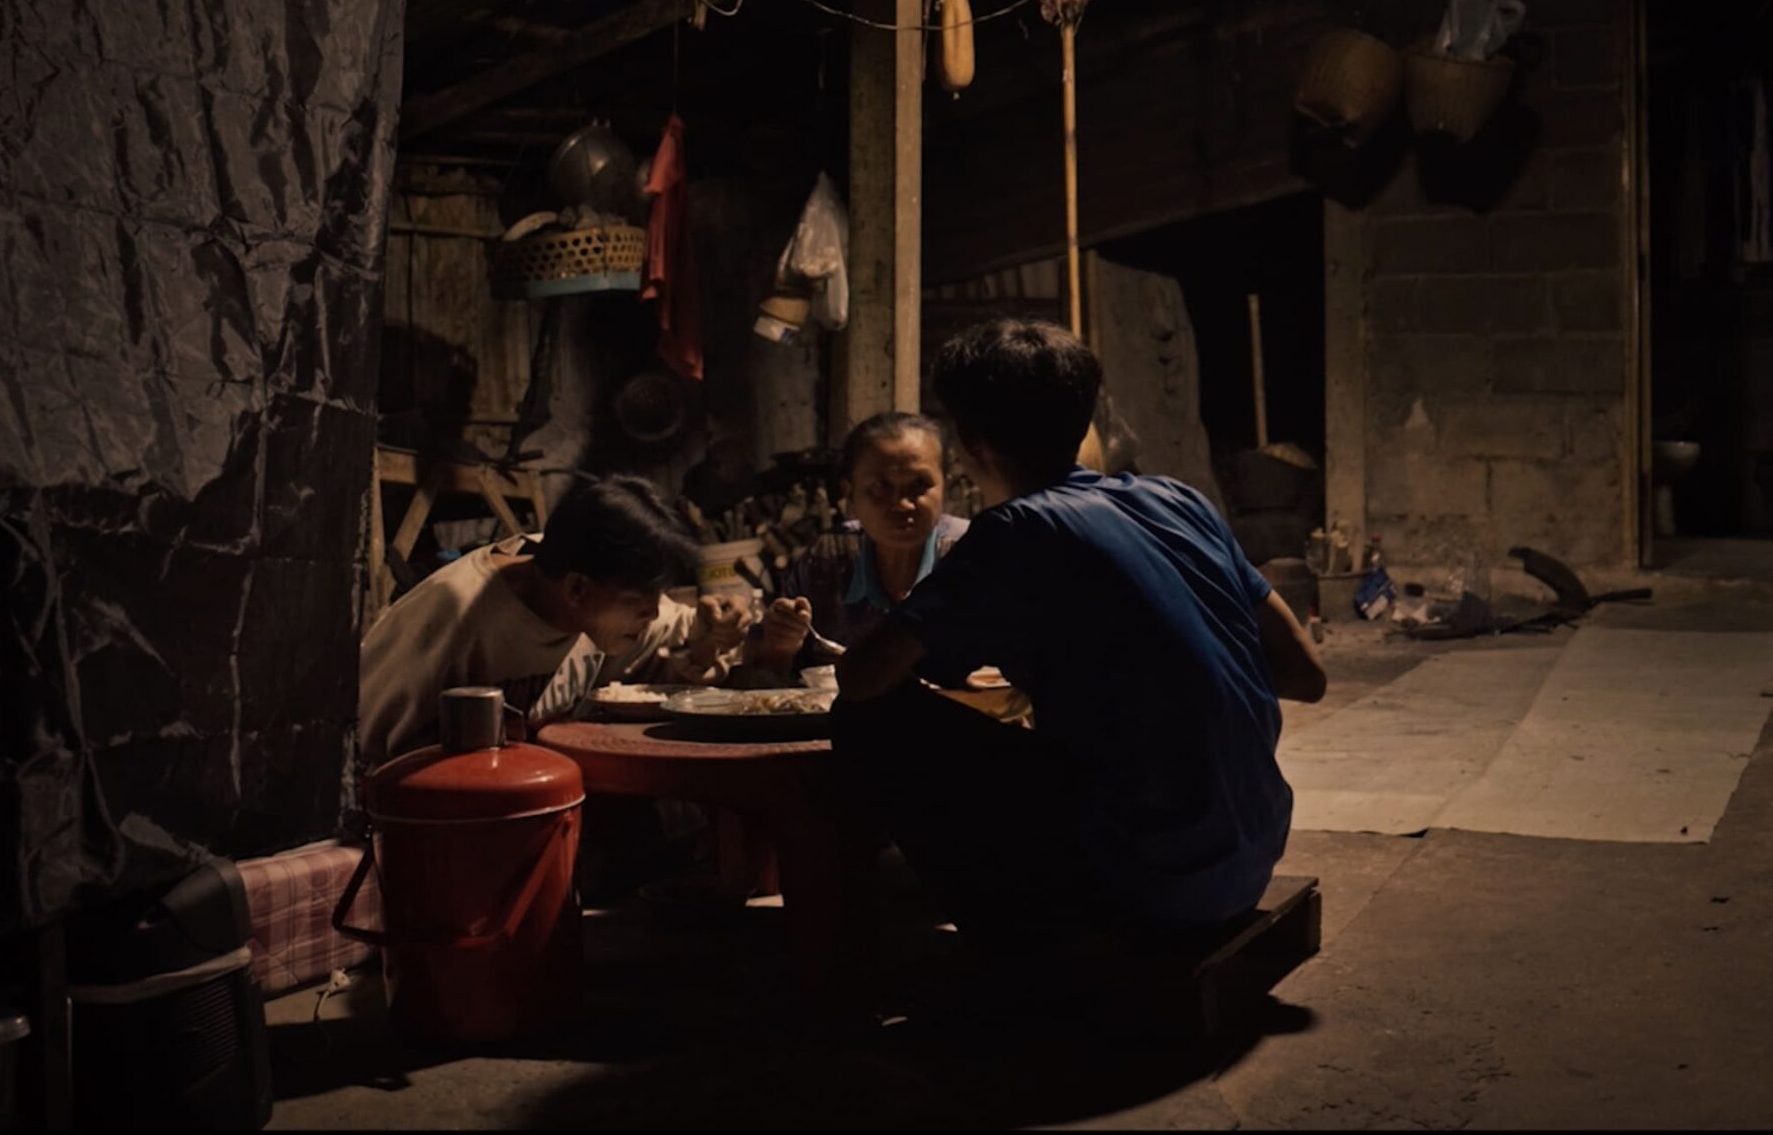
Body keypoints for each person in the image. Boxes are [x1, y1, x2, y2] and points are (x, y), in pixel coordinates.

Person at [832, 318, 1327, 1011]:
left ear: (970, 443)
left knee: (868, 721)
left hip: (1154, 884)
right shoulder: (1178, 500)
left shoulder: (1012, 533)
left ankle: (1037, 957)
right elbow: (1306, 675)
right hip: (1248, 861)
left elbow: (861, 678)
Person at [355, 474, 732, 768]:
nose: (653, 614)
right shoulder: (456, 617)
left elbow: (680, 631)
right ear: (576, 589)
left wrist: (713, 626)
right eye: (639, 604)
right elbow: (367, 747)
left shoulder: (592, 578)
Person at [732, 413, 971, 687]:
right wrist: (781, 645)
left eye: (919, 485)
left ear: (945, 486)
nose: (902, 504)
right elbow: (769, 677)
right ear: (850, 493)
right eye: (880, 487)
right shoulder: (826, 559)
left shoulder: (972, 554)